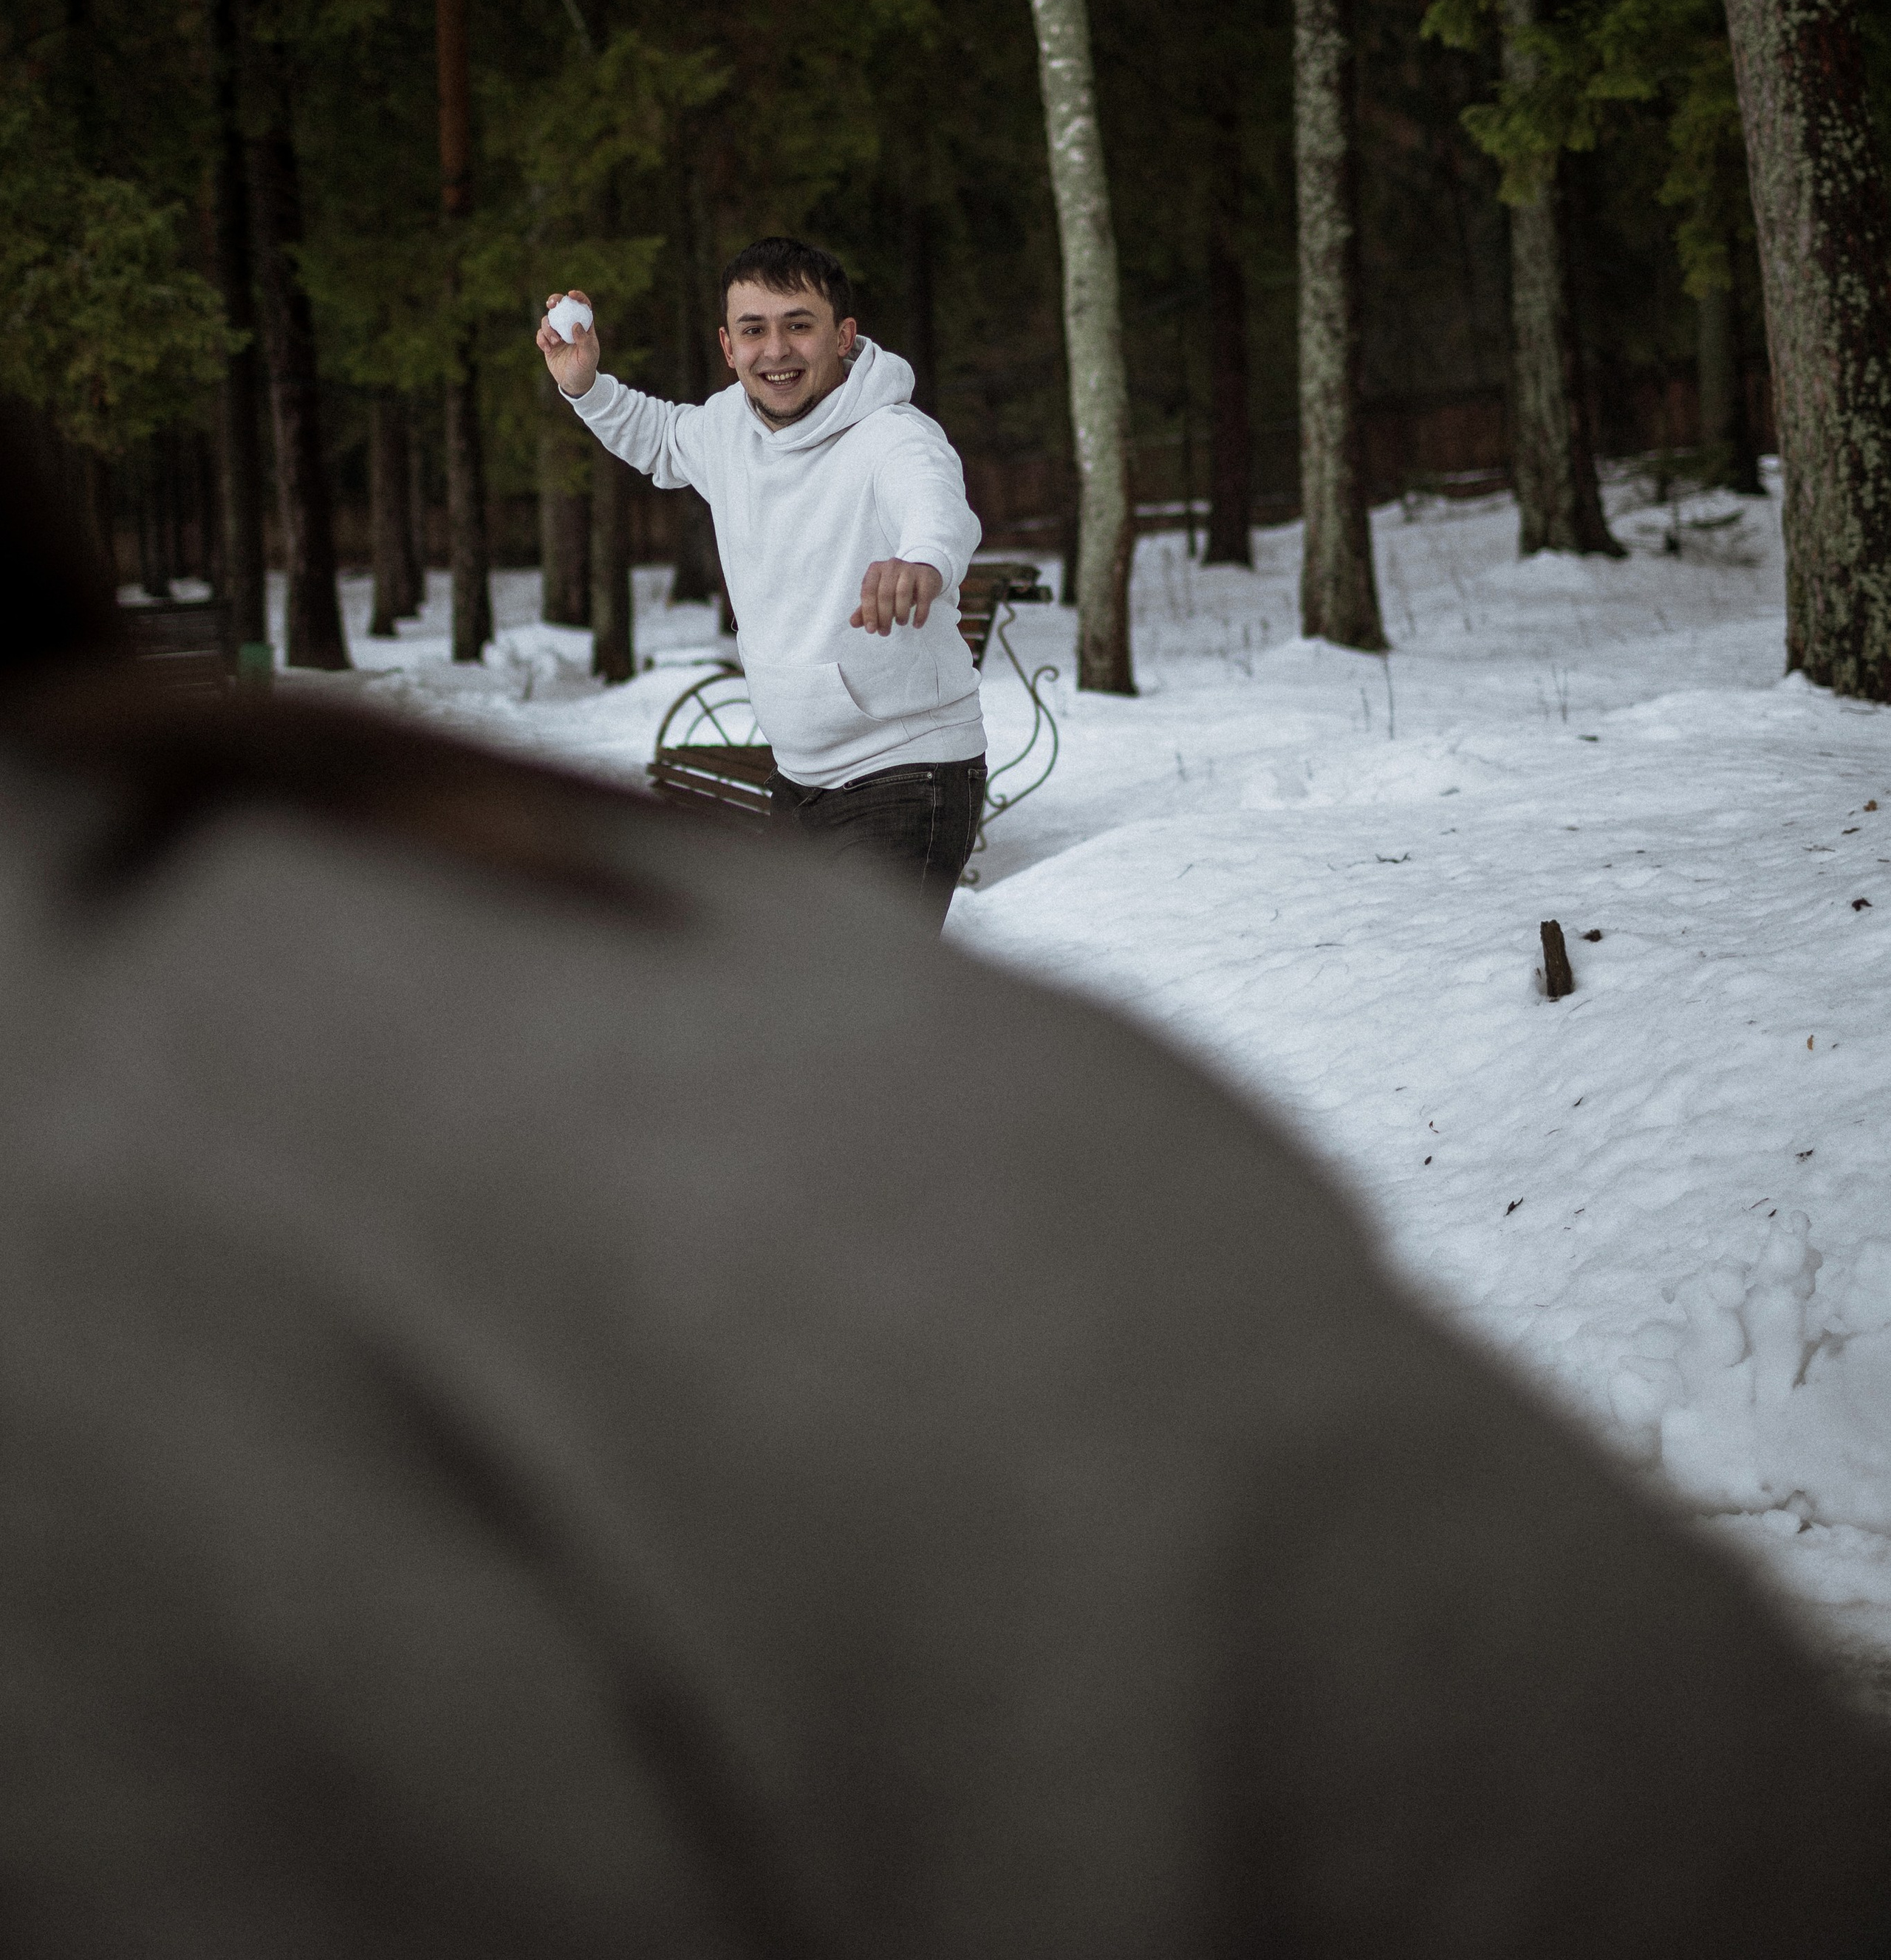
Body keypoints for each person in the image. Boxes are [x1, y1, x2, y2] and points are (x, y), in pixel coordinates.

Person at [1, 405, 1890, 1956]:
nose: (759, 354)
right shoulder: (684, 620)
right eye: (736, 328)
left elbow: (1538, 1740)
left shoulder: (668, 979)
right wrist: (575, 377)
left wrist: (924, 569)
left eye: (783, 324)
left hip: (896, 788)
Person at [538, 235, 986, 931]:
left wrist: (921, 559)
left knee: (856, 998)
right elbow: (658, 436)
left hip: (908, 772)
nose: (775, 350)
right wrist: (585, 386)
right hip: (798, 779)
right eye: (754, 330)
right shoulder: (727, 429)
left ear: (843, 336)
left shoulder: (893, 435)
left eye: (798, 325)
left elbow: (934, 503)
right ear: (728, 345)